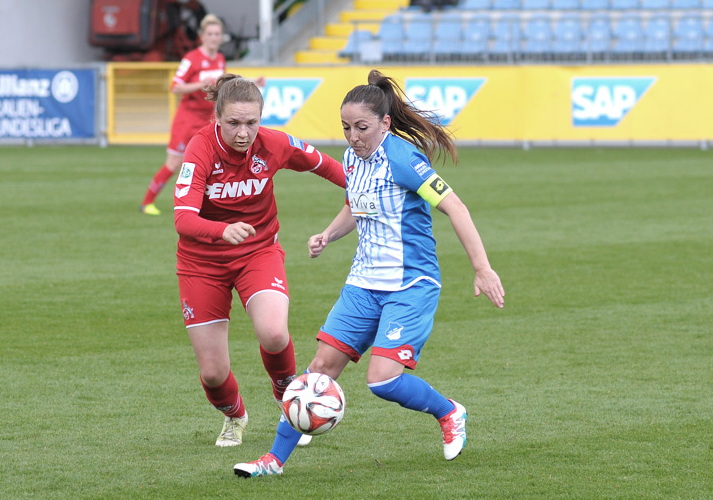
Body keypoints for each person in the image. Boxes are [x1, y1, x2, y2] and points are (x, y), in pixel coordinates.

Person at [234, 70, 505, 477]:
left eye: (361, 127)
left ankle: (449, 412)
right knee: (317, 372)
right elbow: (356, 206)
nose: (352, 136)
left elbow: (456, 208)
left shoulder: (404, 160)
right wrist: (329, 234)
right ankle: (273, 461)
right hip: (363, 283)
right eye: (346, 127)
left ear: (385, 123)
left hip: (409, 285)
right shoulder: (351, 158)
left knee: (382, 381)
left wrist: (482, 269)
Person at [174, 74, 345, 447]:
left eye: (251, 123)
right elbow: (183, 219)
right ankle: (234, 416)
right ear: (217, 117)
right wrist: (221, 231)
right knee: (214, 373)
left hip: (259, 251)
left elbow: (328, 166)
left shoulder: (274, 143)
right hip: (202, 262)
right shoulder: (200, 149)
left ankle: (290, 402)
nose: (243, 132)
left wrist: (365, 187)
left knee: (273, 332)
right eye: (233, 123)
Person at [140, 13, 226, 215]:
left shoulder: (220, 59)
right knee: (174, 162)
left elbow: (221, 85)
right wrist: (200, 85)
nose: (214, 37)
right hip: (187, 118)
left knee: (212, 162)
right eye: (210, 33)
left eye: (217, 34)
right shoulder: (191, 59)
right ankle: (147, 203)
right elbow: (175, 87)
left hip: (208, 119)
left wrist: (253, 83)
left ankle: (208, 205)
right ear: (202, 36)